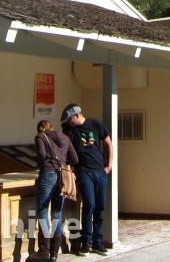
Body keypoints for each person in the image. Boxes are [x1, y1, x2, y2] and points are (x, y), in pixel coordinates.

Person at [61, 104, 113, 256]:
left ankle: (98, 242)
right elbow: (66, 150)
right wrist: (70, 169)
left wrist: (109, 165)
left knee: (100, 206)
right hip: (83, 171)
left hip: (100, 170)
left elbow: (108, 143)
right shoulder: (70, 130)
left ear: (77, 115)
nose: (69, 122)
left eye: (70, 119)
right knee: (89, 204)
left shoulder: (95, 124)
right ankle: (86, 242)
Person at [35, 120, 78, 260]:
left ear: (41, 129)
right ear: (52, 127)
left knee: (42, 210)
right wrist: (65, 164)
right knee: (57, 213)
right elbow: (75, 158)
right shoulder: (65, 137)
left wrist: (42, 166)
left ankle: (44, 251)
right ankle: (54, 254)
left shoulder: (41, 136)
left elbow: (41, 154)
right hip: (63, 177)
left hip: (48, 174)